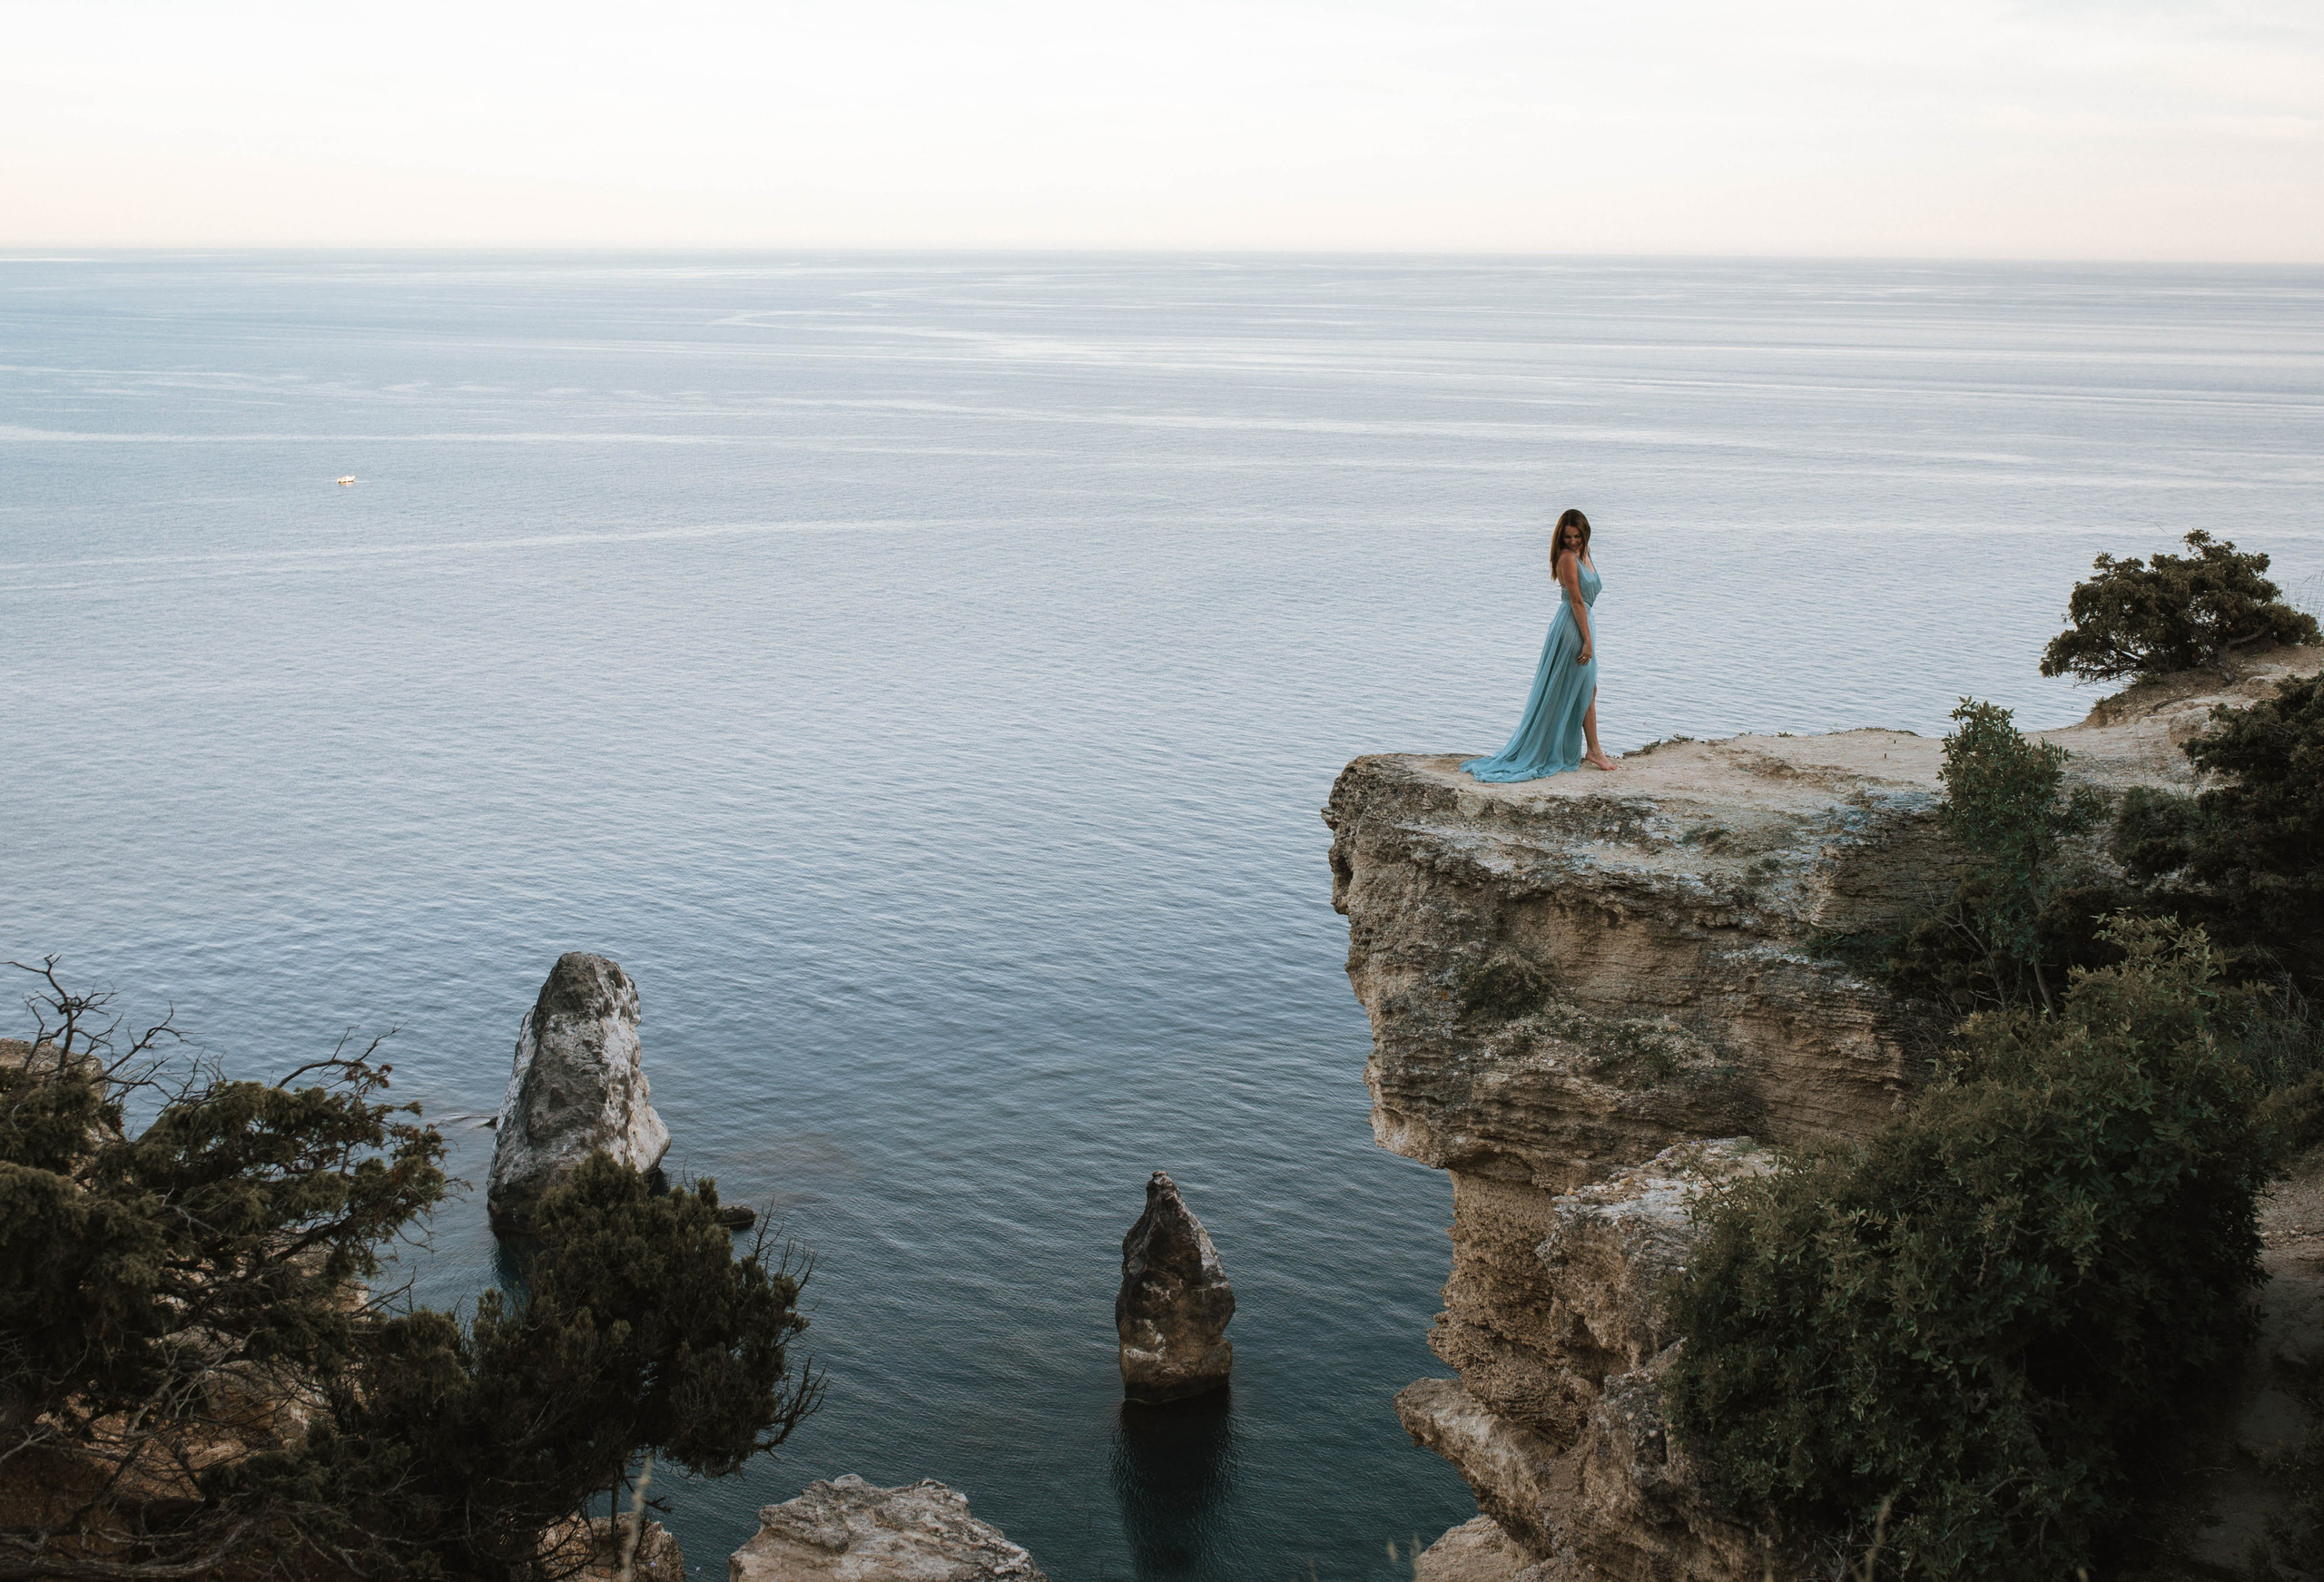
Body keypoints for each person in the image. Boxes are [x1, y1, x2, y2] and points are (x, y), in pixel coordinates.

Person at [1462, 507, 1617, 781]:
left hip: (1583, 623)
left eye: (1577, 536)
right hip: (1572, 628)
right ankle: (1593, 750)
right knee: (1584, 689)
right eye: (1567, 537)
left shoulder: (1585, 552)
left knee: (1587, 689)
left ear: (1585, 533)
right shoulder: (1567, 558)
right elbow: (1577, 601)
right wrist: (1587, 641)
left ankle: (1593, 749)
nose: (1572, 542)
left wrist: (1589, 636)